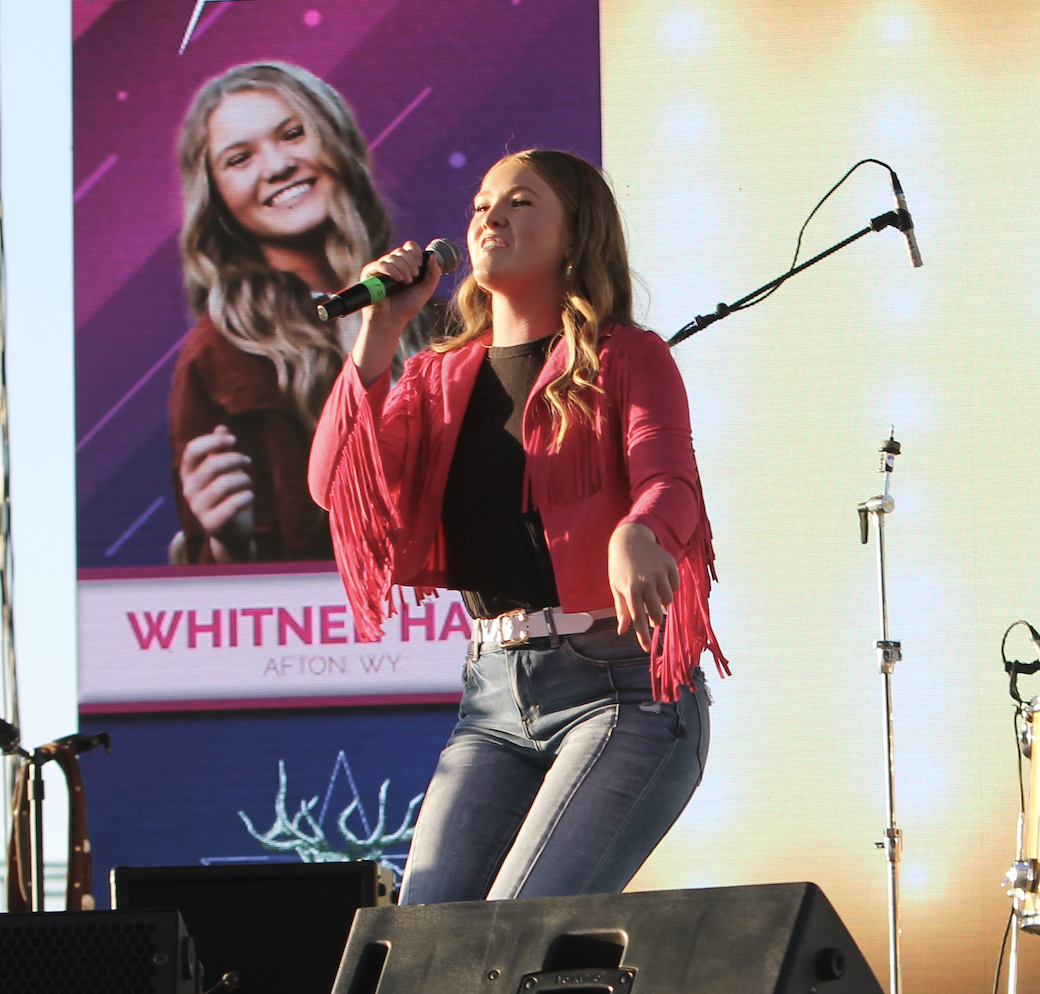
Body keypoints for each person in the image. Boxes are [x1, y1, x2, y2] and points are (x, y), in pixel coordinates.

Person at [309, 149, 729, 904]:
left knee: (519, 925)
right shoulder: (435, 377)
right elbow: (337, 485)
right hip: (493, 695)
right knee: (425, 943)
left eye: (520, 201)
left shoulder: (626, 357)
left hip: (623, 687)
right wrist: (379, 329)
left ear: (575, 237)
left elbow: (670, 481)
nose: (489, 216)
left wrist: (640, 532)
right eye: (480, 204)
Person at [169, 61, 423, 565]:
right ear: (215, 197)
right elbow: (214, 588)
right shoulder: (217, 358)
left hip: (446, 604)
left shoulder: (434, 315)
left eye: (292, 134)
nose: (277, 166)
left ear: (336, 140)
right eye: (239, 159)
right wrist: (226, 541)